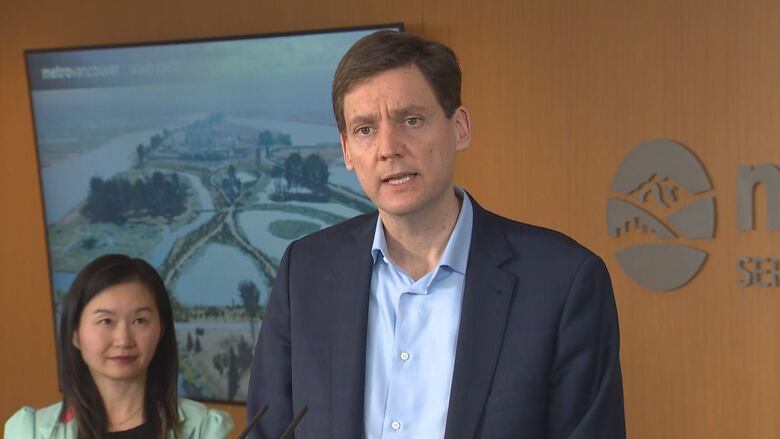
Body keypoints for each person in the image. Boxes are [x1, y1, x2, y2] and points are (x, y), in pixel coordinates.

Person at [248, 30, 625, 439]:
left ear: (459, 128)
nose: (388, 148)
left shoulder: (562, 282)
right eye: (365, 129)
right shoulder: (305, 272)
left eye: (411, 120)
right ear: (346, 151)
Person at [4, 254, 234, 439]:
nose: (123, 340)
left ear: (161, 330)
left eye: (139, 321)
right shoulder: (31, 432)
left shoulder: (203, 429)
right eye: (106, 321)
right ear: (75, 334)